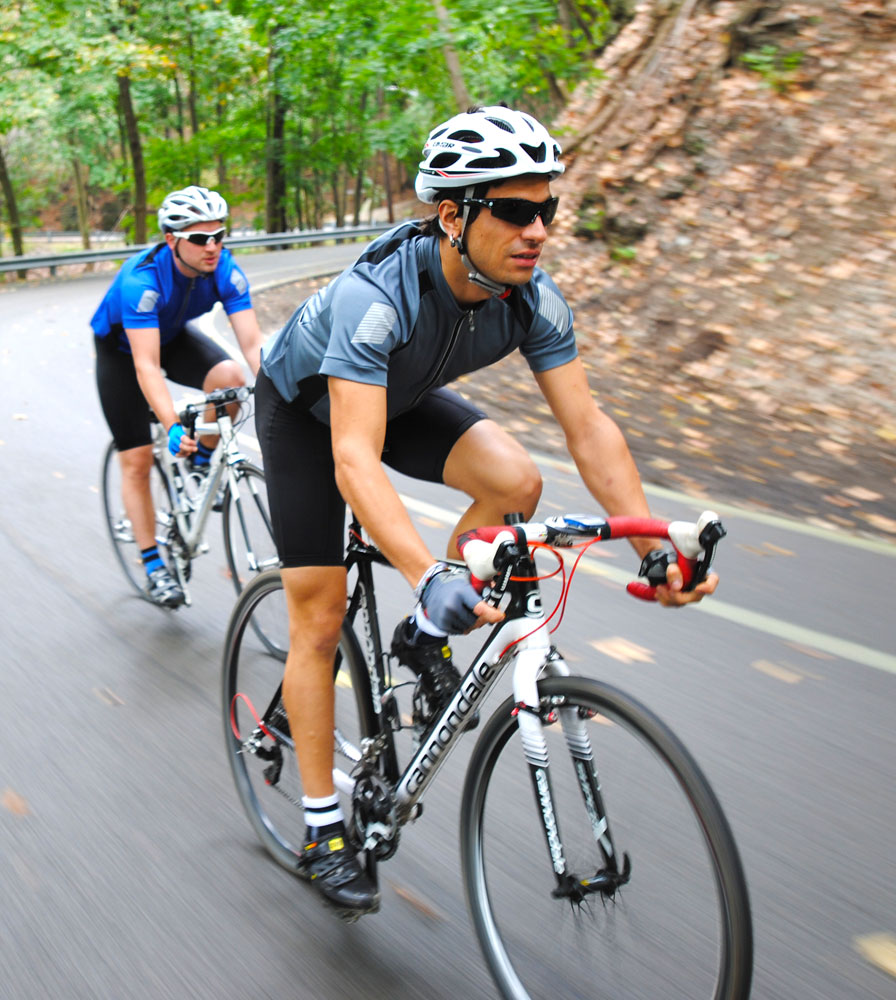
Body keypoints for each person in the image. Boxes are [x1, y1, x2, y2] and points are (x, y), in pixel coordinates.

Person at [255, 105, 718, 916]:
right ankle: (323, 826)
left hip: (395, 399)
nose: (537, 228)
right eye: (513, 209)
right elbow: (353, 458)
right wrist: (428, 569)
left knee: (515, 480)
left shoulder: (532, 297)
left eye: (548, 209)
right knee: (320, 617)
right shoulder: (377, 300)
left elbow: (588, 428)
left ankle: (421, 635)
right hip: (307, 414)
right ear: (453, 214)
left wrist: (651, 543)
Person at [91, 185, 263, 608]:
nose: (213, 247)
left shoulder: (224, 269)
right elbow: (146, 366)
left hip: (171, 336)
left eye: (219, 236)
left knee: (229, 376)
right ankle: (152, 565)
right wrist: (169, 426)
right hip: (121, 352)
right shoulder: (142, 281)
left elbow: (254, 347)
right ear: (172, 241)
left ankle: (202, 464)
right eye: (201, 238)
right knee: (136, 461)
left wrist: (285, 394)